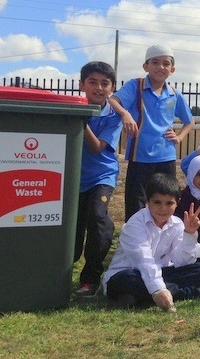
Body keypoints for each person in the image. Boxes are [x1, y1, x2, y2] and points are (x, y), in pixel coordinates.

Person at [103, 173, 200, 311]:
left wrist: (189, 234)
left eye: (169, 203)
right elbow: (144, 261)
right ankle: (191, 293)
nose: (163, 209)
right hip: (130, 272)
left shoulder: (177, 224)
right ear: (148, 201)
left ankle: (136, 297)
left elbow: (180, 261)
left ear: (177, 203)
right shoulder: (135, 223)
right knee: (127, 279)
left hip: (160, 271)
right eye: (157, 202)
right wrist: (158, 291)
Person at [109, 44, 195, 221]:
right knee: (136, 204)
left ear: (172, 70)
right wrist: (125, 113)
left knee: (167, 203)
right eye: (155, 62)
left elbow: (190, 121)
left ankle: (165, 242)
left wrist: (179, 137)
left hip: (166, 156)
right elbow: (113, 100)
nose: (160, 67)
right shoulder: (136, 86)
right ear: (145, 66)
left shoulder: (174, 94)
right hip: (139, 156)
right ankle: (135, 243)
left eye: (165, 63)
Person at [74, 61, 123, 296]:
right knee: (73, 226)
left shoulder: (114, 117)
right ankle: (61, 269)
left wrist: (81, 121)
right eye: (92, 82)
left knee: (97, 216)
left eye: (105, 83)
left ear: (112, 88)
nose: (99, 87)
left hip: (102, 176)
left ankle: (90, 278)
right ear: (82, 84)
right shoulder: (71, 108)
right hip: (73, 177)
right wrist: (77, 114)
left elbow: (96, 148)